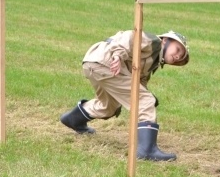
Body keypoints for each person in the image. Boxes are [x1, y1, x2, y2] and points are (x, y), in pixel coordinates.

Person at [59, 30, 190, 161]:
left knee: (108, 106)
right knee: (144, 101)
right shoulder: (153, 41)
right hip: (107, 63)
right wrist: (118, 56)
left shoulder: (153, 60)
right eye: (178, 49)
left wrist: (145, 91)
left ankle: (73, 120)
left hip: (94, 63)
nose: (178, 56)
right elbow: (127, 39)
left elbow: (139, 81)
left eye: (180, 56)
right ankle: (147, 150)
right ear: (165, 40)